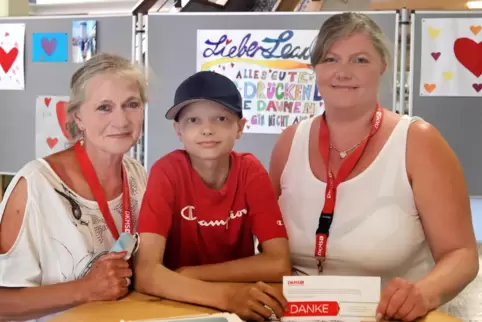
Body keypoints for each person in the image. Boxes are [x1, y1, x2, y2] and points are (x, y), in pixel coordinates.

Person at [269, 12, 478, 322]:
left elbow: (461, 255)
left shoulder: (418, 142)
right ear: (315, 69)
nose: (343, 72)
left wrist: (424, 293)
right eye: (330, 59)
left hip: (386, 316)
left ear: (383, 66)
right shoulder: (290, 142)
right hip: (297, 313)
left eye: (360, 60)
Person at [0, 53, 147, 322]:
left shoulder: (137, 175)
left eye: (132, 104)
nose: (122, 120)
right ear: (78, 116)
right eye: (104, 107)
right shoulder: (36, 186)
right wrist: (85, 289)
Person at [134, 71, 291, 322]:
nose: (207, 129)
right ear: (178, 130)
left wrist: (191, 274)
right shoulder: (166, 172)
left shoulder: (250, 171)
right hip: (175, 303)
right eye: (194, 120)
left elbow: (279, 263)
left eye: (220, 118)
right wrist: (227, 296)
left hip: (228, 299)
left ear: (240, 127)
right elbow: (145, 273)